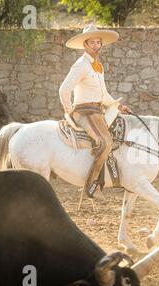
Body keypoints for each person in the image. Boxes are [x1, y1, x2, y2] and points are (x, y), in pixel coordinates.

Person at [59, 23, 132, 198]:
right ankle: (90, 186)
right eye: (92, 43)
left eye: (98, 42)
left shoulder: (98, 66)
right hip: (84, 111)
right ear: (85, 45)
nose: (96, 46)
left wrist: (117, 105)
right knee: (105, 142)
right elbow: (64, 89)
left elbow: (103, 94)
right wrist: (69, 111)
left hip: (97, 110)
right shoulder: (81, 65)